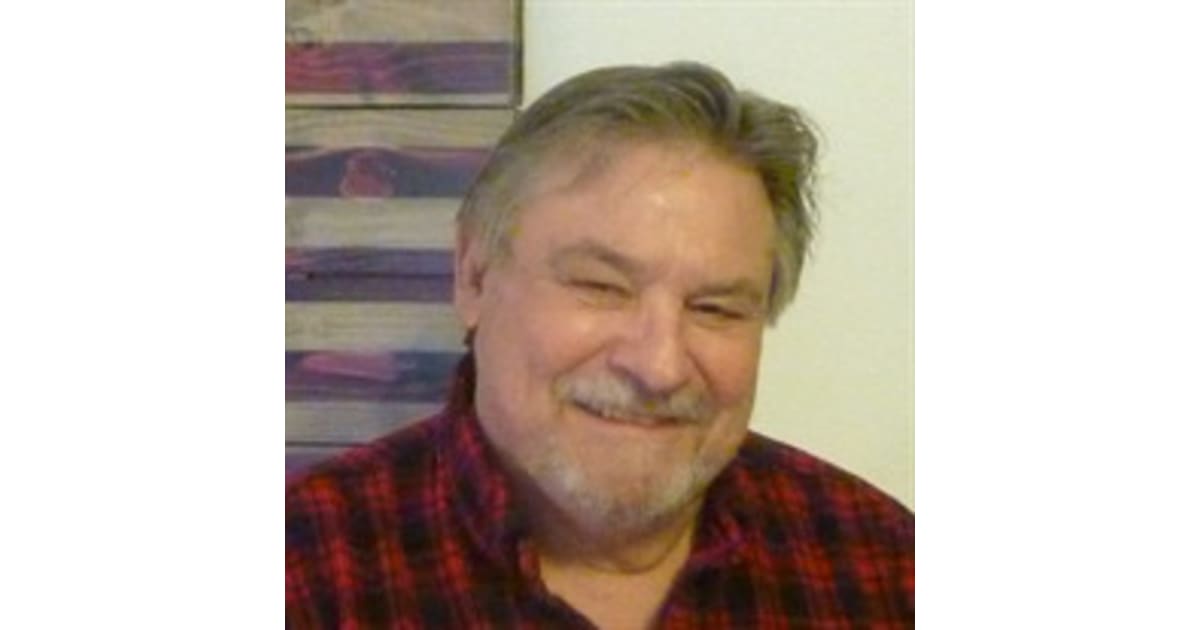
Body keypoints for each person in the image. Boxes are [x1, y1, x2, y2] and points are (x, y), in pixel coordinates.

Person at [286, 61, 914, 629]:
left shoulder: (887, 569)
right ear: (474, 277)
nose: (659, 366)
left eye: (715, 308)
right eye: (601, 287)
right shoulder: (302, 573)